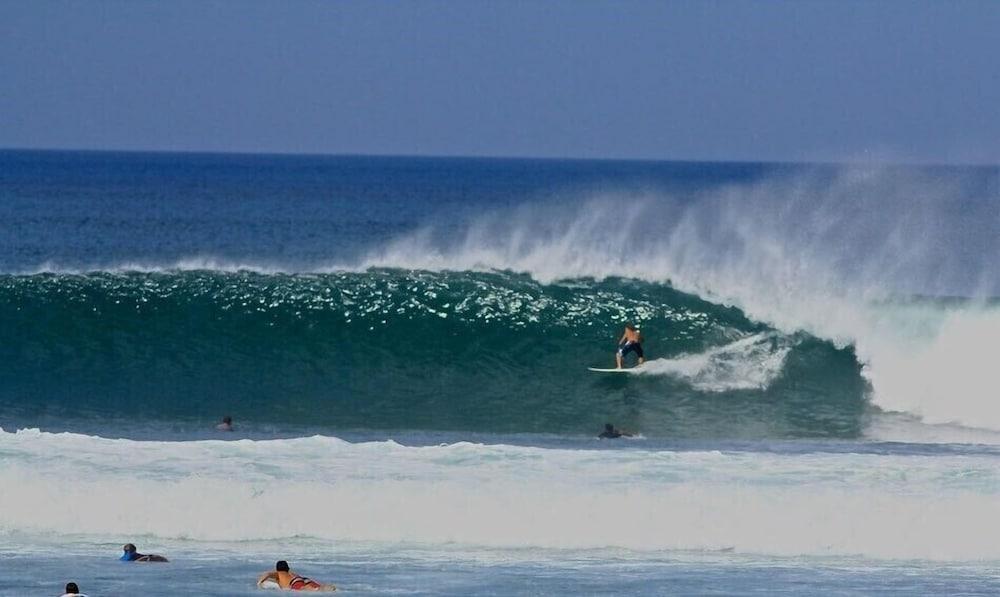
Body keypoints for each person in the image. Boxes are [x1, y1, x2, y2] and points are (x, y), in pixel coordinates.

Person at [257, 560, 336, 592]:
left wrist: (259, 583)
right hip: (302, 579)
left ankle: (320, 589)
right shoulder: (290, 573)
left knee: (306, 588)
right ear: (287, 568)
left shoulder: (278, 573)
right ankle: (329, 587)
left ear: (277, 569)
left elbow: (266, 574)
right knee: (318, 586)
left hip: (294, 583)